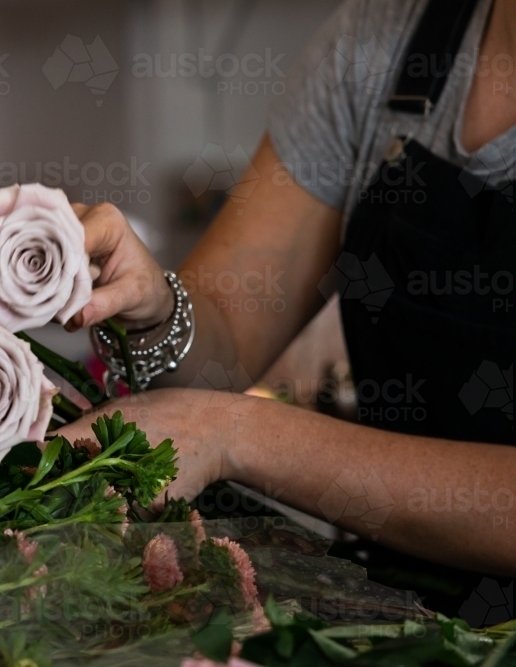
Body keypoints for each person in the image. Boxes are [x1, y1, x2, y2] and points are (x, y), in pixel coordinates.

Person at [60, 0, 516, 586]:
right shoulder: (382, 43)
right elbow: (225, 336)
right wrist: (153, 308)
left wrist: (240, 434)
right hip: (395, 615)